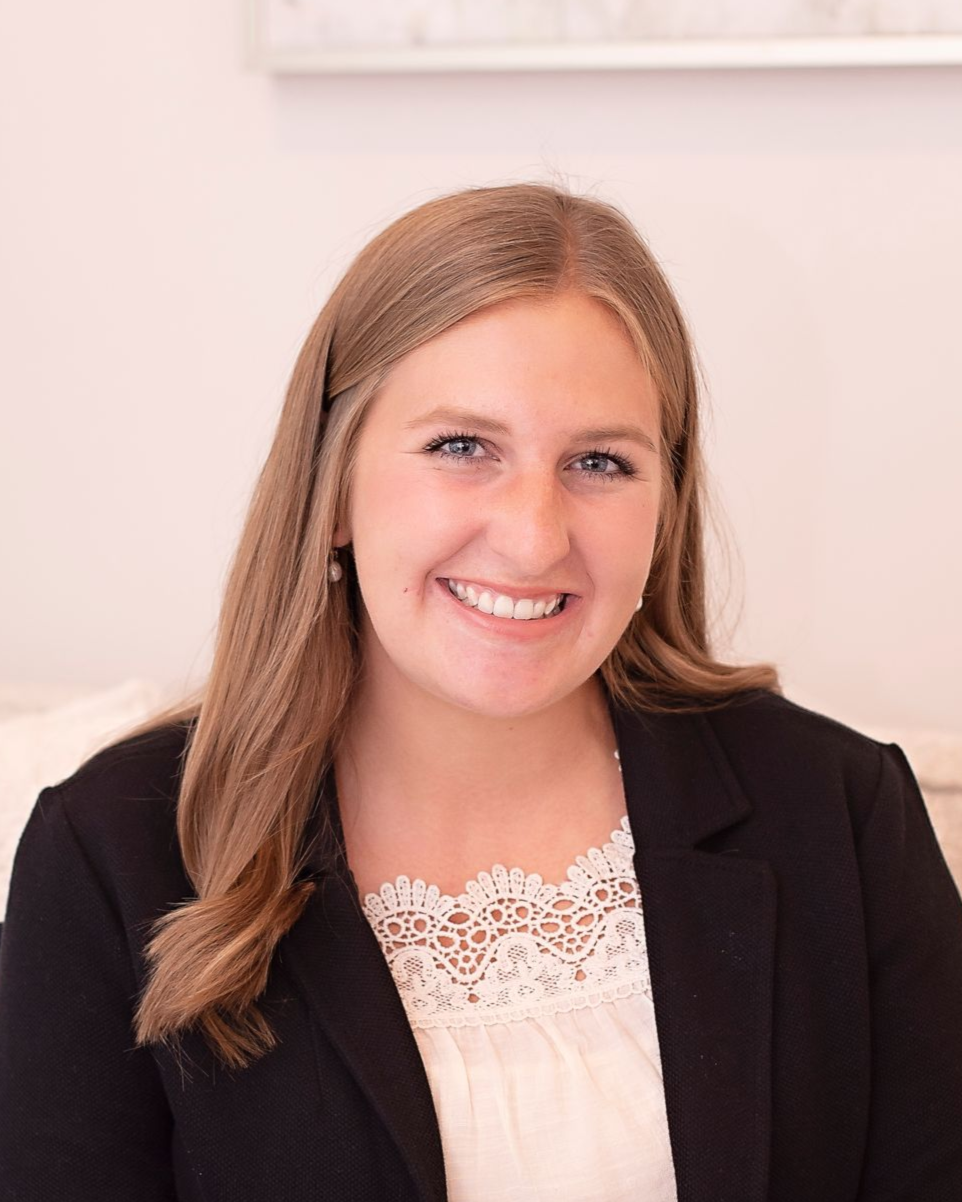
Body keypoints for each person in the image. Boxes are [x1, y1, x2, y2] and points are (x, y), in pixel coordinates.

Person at [1, 182, 960, 1202]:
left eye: (600, 460)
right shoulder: (114, 848)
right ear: (331, 485)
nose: (533, 534)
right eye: (462, 447)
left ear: (664, 508)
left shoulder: (836, 808)